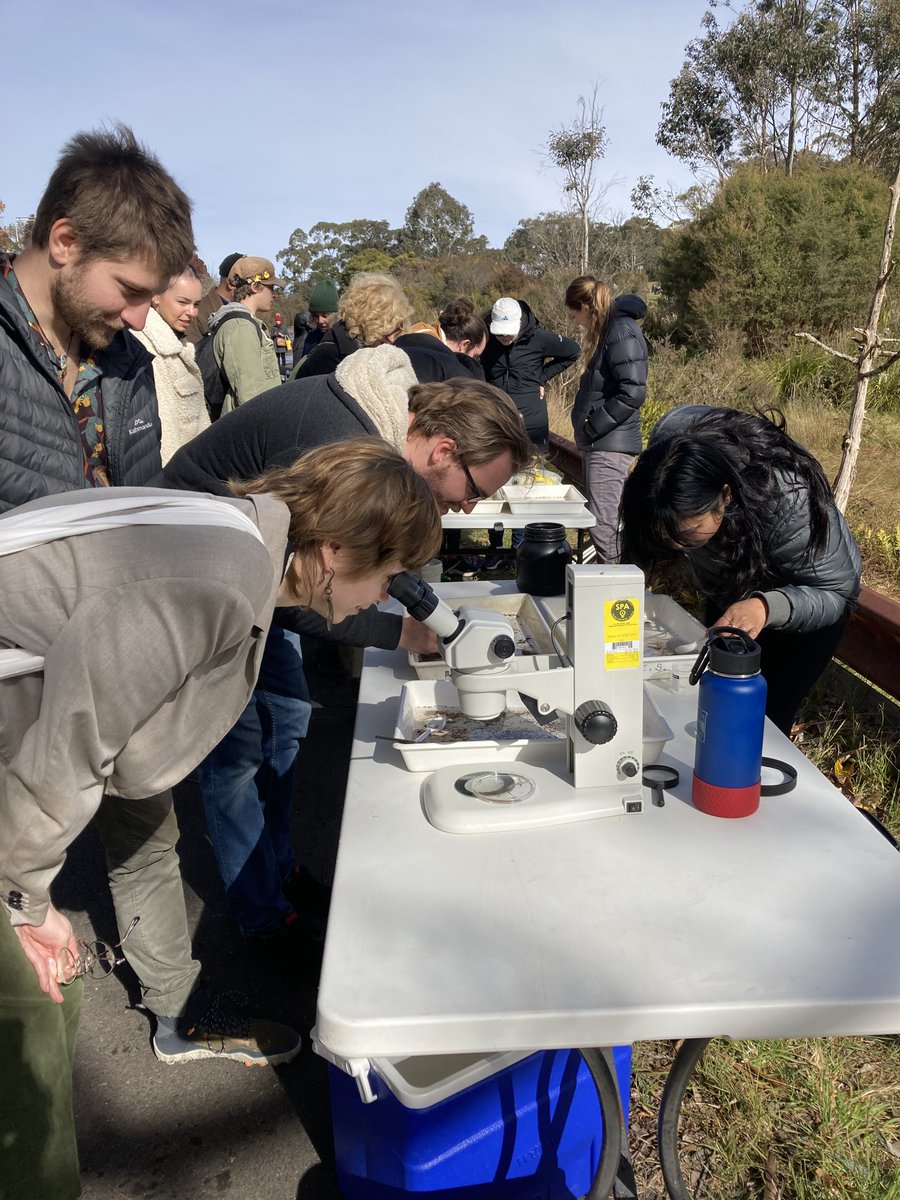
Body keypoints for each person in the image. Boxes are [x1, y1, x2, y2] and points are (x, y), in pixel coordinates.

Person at [0, 439, 442, 1200]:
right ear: (335, 551)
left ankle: (169, 1019)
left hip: (35, 716)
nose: (385, 598)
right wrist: (25, 896)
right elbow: (75, 741)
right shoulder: (219, 581)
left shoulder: (242, 535)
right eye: (387, 576)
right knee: (33, 1010)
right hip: (24, 731)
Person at [0, 125, 297, 1082]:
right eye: (130, 291)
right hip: (14, 659)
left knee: (146, 820)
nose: (140, 317)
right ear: (63, 241)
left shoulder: (125, 359)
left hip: (113, 646)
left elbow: (142, 499)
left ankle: (176, 1007)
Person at [162, 360, 533, 952]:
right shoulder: (338, 443)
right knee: (238, 756)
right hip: (197, 582)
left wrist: (409, 614)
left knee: (288, 719)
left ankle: (281, 871)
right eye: (475, 492)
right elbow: (303, 588)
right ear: (443, 451)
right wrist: (399, 632)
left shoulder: (378, 429)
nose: (468, 509)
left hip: (258, 571)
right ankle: (263, 919)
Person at [619, 405, 862, 734]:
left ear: (725, 496)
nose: (675, 546)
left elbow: (839, 593)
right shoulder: (665, 460)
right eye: (666, 535)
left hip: (808, 598)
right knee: (709, 703)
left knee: (763, 723)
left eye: (688, 535)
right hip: (733, 580)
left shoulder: (787, 501)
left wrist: (766, 607)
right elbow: (644, 534)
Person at [480, 296, 580, 561]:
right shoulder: (485, 338)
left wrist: (541, 377)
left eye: (508, 333)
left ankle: (519, 547)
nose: (504, 338)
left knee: (525, 485)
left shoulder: (539, 338)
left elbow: (573, 351)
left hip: (530, 423)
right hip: (495, 421)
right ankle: (494, 548)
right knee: (492, 483)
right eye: (499, 333)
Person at [565, 275, 648, 563]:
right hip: (601, 442)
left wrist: (594, 424)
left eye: (574, 315)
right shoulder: (611, 330)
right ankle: (610, 579)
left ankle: (615, 585)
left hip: (609, 444)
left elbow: (633, 391)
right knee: (602, 523)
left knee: (603, 527)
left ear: (585, 307)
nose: (576, 322)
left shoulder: (620, 330)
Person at [130, 265, 209, 464]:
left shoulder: (177, 344)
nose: (192, 312)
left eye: (196, 304)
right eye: (183, 302)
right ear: (156, 296)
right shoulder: (146, 348)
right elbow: (165, 433)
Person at [295, 271, 412, 378]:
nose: (392, 339)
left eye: (397, 329)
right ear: (365, 320)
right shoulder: (331, 356)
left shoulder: (394, 354)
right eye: (383, 330)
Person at [207, 255, 284, 412]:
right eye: (271, 287)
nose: (274, 294)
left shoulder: (244, 324)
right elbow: (251, 396)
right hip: (253, 421)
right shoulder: (241, 328)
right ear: (255, 286)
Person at [396, 297, 487, 382]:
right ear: (464, 344)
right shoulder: (438, 365)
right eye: (475, 356)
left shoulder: (419, 331)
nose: (475, 361)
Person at [184, 251, 244, 344]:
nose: (252, 288)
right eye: (247, 282)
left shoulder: (245, 311)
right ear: (232, 283)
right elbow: (192, 348)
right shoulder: (199, 312)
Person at [291, 277, 339, 368]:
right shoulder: (310, 339)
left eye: (325, 316)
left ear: (336, 315)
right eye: (316, 316)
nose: (320, 321)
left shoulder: (344, 339)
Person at [272, 311, 289, 376]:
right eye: (276, 321)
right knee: (277, 357)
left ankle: (284, 367)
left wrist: (282, 335)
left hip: (282, 345)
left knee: (283, 356)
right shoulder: (273, 327)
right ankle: (279, 368)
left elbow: (287, 336)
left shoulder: (284, 327)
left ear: (280, 321)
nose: (277, 322)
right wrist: (275, 334)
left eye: (278, 321)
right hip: (276, 345)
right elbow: (271, 336)